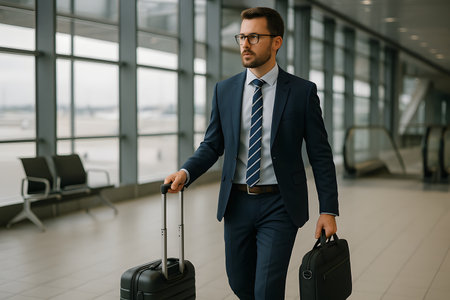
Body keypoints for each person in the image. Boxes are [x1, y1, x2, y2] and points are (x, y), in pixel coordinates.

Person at [164, 7, 339, 300]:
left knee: (267, 290)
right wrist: (186, 171)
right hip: (237, 204)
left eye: (254, 37)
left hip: (280, 204)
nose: (245, 44)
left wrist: (328, 209)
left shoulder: (301, 92)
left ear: (276, 42)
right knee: (240, 283)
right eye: (242, 37)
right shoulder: (225, 90)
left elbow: (320, 155)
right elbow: (211, 144)